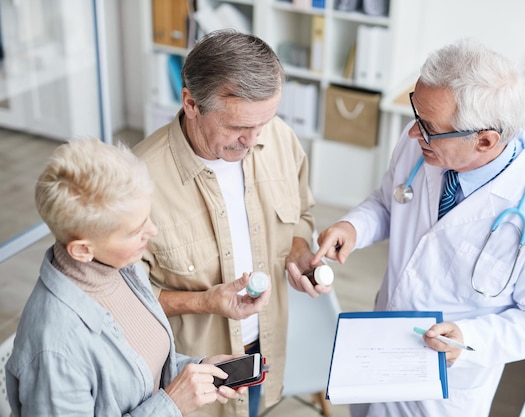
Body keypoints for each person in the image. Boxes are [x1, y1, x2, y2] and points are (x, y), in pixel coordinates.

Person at [311, 38, 525, 417]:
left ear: (486, 140)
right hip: (377, 351)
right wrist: (354, 227)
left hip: (445, 392)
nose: (411, 134)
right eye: (416, 116)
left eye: (428, 127)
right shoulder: (425, 143)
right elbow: (389, 201)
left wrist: (470, 339)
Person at [133, 29, 327, 417]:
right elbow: (123, 303)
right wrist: (205, 302)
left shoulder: (280, 139)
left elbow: (301, 216)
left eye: (264, 122)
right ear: (191, 102)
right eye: (238, 127)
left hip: (263, 352)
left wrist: (301, 252)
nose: (253, 139)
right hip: (192, 376)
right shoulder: (136, 182)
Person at [5, 139, 245, 416]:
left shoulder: (122, 268)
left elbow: (138, 373)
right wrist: (172, 405)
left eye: (147, 218)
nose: (152, 231)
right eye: (135, 231)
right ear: (83, 249)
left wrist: (198, 370)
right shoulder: (55, 348)